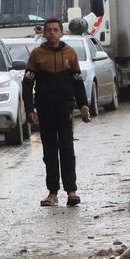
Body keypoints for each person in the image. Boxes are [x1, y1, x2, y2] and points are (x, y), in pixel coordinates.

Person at [21, 18, 91, 207]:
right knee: (50, 151)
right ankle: (52, 193)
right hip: (45, 109)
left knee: (67, 148)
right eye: (49, 30)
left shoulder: (70, 53)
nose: (52, 33)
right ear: (44, 33)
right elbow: (27, 84)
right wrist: (30, 109)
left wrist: (84, 105)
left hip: (65, 108)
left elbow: (77, 81)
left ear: (62, 33)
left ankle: (71, 191)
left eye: (55, 30)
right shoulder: (37, 55)